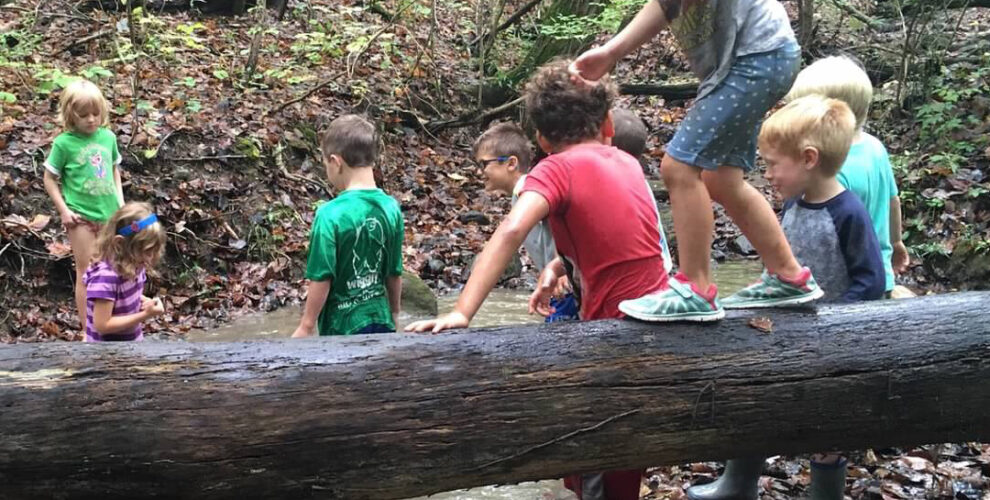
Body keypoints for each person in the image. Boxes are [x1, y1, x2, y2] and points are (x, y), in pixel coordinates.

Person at [408, 59, 669, 500]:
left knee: (598, 457)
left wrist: (461, 311)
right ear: (608, 122)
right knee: (622, 453)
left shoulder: (553, 168)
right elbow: (619, 240)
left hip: (618, 331)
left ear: (543, 141)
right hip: (659, 311)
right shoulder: (627, 162)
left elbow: (511, 230)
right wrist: (559, 265)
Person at [571, 0, 824, 322]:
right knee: (722, 178)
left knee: (678, 167)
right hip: (760, 59)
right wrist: (609, 53)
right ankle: (789, 276)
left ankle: (696, 288)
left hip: (754, 59)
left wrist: (611, 52)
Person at [689, 96, 884, 500]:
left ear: (809, 158)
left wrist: (836, 324)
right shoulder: (795, 203)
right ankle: (737, 483)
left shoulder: (848, 212)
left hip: (831, 339)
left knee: (826, 428)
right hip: (784, 329)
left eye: (774, 164)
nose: (768, 174)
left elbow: (872, 282)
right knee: (758, 400)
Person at [785, 55, 909, 295]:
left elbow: (817, 235)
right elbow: (893, 201)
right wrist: (896, 243)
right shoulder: (875, 147)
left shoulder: (828, 170)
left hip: (847, 284)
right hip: (879, 275)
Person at [291, 115, 404, 337]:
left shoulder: (330, 215)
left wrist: (306, 325)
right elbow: (394, 271)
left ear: (336, 161)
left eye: (325, 164)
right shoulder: (391, 208)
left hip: (341, 327)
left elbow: (322, 276)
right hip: (381, 320)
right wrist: (395, 313)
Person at [471, 122, 579, 321]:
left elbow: (561, 216)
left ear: (511, 164)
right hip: (564, 286)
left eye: (484, 164)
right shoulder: (522, 192)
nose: (479, 172)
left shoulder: (526, 187)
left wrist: (561, 268)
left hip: (564, 287)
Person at [42, 79, 125, 332]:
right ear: (70, 115)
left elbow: (114, 170)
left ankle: (111, 323)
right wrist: (64, 211)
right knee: (87, 272)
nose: (91, 119)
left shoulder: (108, 137)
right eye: (83, 115)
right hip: (80, 218)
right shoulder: (64, 144)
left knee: (113, 270)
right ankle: (88, 329)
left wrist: (121, 204)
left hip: (110, 215)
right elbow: (49, 179)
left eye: (95, 113)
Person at [83, 202, 166, 342]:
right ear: (120, 244)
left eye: (154, 251)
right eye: (146, 251)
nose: (150, 258)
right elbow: (102, 325)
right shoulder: (105, 277)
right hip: (106, 355)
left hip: (130, 345)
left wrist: (145, 302)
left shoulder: (135, 263)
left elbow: (126, 297)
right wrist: (145, 315)